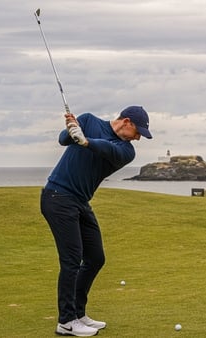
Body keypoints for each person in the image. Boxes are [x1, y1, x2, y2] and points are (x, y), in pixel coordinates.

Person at [40, 106, 152, 336]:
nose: (138, 137)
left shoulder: (126, 150)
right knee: (71, 260)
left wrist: (85, 141)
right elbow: (64, 140)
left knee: (95, 258)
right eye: (138, 131)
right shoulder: (89, 120)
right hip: (58, 197)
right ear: (126, 122)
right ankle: (66, 321)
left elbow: (106, 149)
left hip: (79, 201)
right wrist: (71, 128)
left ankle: (78, 313)